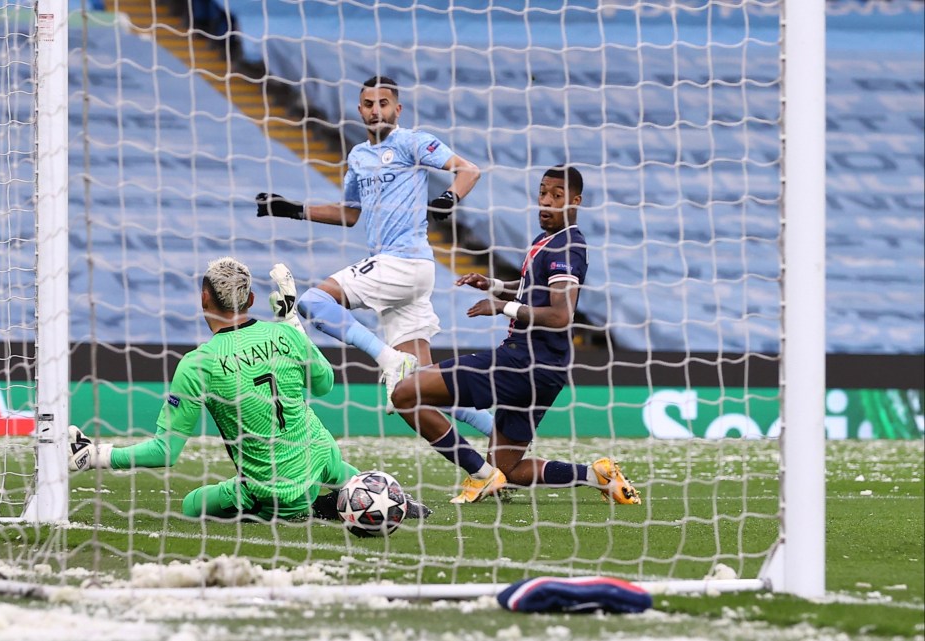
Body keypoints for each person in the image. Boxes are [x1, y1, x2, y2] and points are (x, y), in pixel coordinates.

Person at [67, 256, 428, 521]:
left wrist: (96, 455)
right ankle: (383, 497)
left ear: (204, 299)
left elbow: (166, 451)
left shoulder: (199, 363)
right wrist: (291, 322)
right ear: (252, 300)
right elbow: (325, 385)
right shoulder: (284, 333)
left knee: (192, 506)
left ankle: (313, 505)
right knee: (324, 455)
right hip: (321, 457)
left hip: (273, 492)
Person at [254, 75, 493, 437]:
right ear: (359, 110)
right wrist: (293, 210)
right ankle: (498, 449)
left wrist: (450, 198)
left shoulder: (413, 142)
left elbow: (468, 170)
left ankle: (387, 358)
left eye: (383, 103)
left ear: (397, 109)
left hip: (404, 261)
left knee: (313, 301)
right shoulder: (358, 156)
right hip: (402, 274)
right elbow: (350, 214)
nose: (375, 110)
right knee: (420, 389)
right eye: (368, 104)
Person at [391, 166, 641, 506]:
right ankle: (595, 475)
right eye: (543, 193)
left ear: (576, 201)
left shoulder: (568, 248)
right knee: (508, 468)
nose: (546, 202)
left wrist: (500, 307)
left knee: (407, 394)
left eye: (557, 196)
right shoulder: (546, 241)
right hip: (544, 371)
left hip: (522, 363)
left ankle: (480, 475)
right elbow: (529, 290)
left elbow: (560, 314)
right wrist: (494, 285)